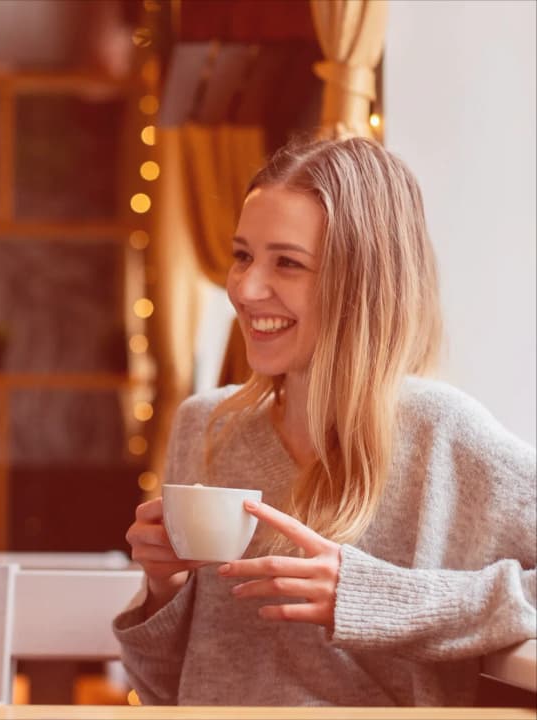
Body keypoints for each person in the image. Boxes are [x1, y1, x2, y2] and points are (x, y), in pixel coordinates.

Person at [116, 136, 536, 706]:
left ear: (363, 282)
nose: (246, 288)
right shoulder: (205, 427)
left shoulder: (442, 436)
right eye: (243, 256)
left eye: (287, 263)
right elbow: (167, 693)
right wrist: (163, 587)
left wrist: (373, 597)